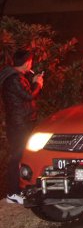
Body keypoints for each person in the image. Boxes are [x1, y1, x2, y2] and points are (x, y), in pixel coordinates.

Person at [0, 49, 44, 204]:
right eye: (31, 62)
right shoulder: (14, 79)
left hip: (20, 122)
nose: (31, 64)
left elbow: (23, 95)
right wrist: (38, 84)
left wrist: (32, 82)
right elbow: (29, 96)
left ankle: (19, 189)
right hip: (19, 124)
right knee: (17, 157)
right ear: (27, 63)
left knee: (22, 156)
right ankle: (12, 193)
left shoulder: (14, 77)